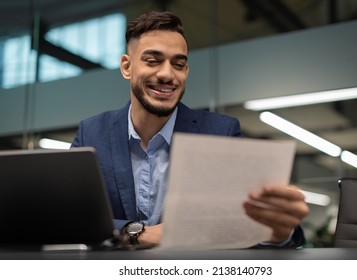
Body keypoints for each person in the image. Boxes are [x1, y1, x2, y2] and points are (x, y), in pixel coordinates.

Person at [71, 11, 309, 248]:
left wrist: (277, 232)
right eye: (152, 61)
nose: (167, 74)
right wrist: (139, 233)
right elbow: (68, 216)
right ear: (127, 66)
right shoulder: (91, 133)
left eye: (178, 64)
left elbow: (240, 228)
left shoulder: (221, 133)